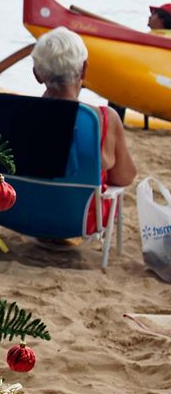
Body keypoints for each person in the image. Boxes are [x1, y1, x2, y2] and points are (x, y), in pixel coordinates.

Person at [30, 27, 137, 243]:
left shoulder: (17, 113)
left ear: (36, 74)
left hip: (22, 213)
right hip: (82, 220)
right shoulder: (102, 119)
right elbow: (124, 177)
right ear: (84, 69)